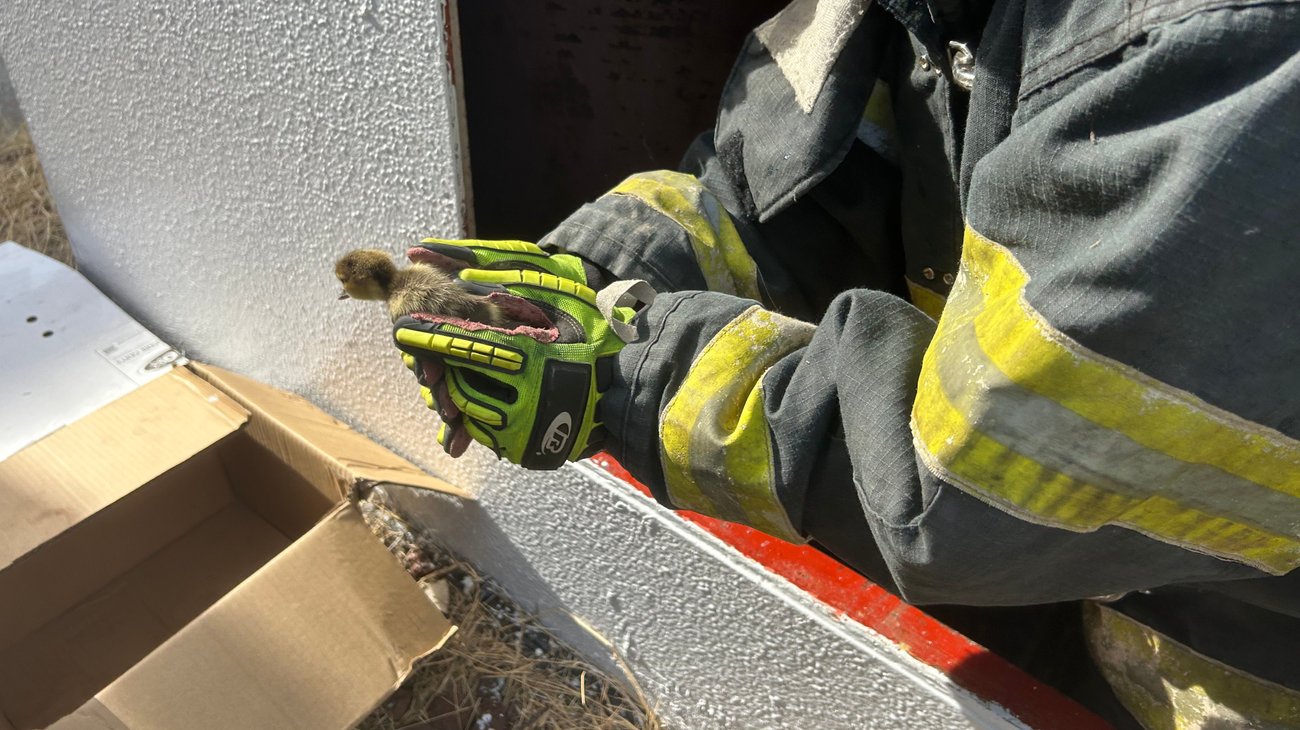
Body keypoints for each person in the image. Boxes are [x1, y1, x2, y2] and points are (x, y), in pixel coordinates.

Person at [392, 0, 1300, 726]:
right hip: (1094, 614)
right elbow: (774, 192)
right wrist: (591, 274)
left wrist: (622, 367)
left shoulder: (1240, 56)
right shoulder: (924, 15)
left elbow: (965, 493)